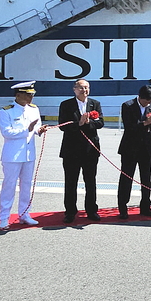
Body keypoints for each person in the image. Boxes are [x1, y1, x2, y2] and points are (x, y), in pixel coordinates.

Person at [0, 81, 49, 230]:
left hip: (28, 154)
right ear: (18, 95)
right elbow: (6, 132)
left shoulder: (34, 109)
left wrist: (40, 130)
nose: (30, 97)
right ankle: (4, 217)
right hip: (12, 155)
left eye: (32, 94)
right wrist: (28, 130)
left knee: (26, 185)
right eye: (27, 94)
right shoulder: (6, 111)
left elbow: (36, 128)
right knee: (9, 186)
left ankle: (25, 214)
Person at [58, 79, 104, 223]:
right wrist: (79, 124)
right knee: (71, 182)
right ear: (74, 89)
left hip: (90, 150)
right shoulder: (66, 105)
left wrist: (89, 123)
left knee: (90, 181)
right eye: (81, 88)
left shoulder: (94, 104)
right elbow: (62, 125)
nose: (84, 90)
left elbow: (101, 123)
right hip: (71, 150)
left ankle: (91, 210)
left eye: (86, 88)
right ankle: (70, 211)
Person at [117, 84, 151, 219]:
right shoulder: (128, 105)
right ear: (140, 97)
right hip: (130, 147)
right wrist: (145, 123)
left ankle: (146, 205)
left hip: (146, 147)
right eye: (147, 100)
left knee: (146, 178)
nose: (149, 103)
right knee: (126, 177)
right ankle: (123, 207)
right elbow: (129, 126)